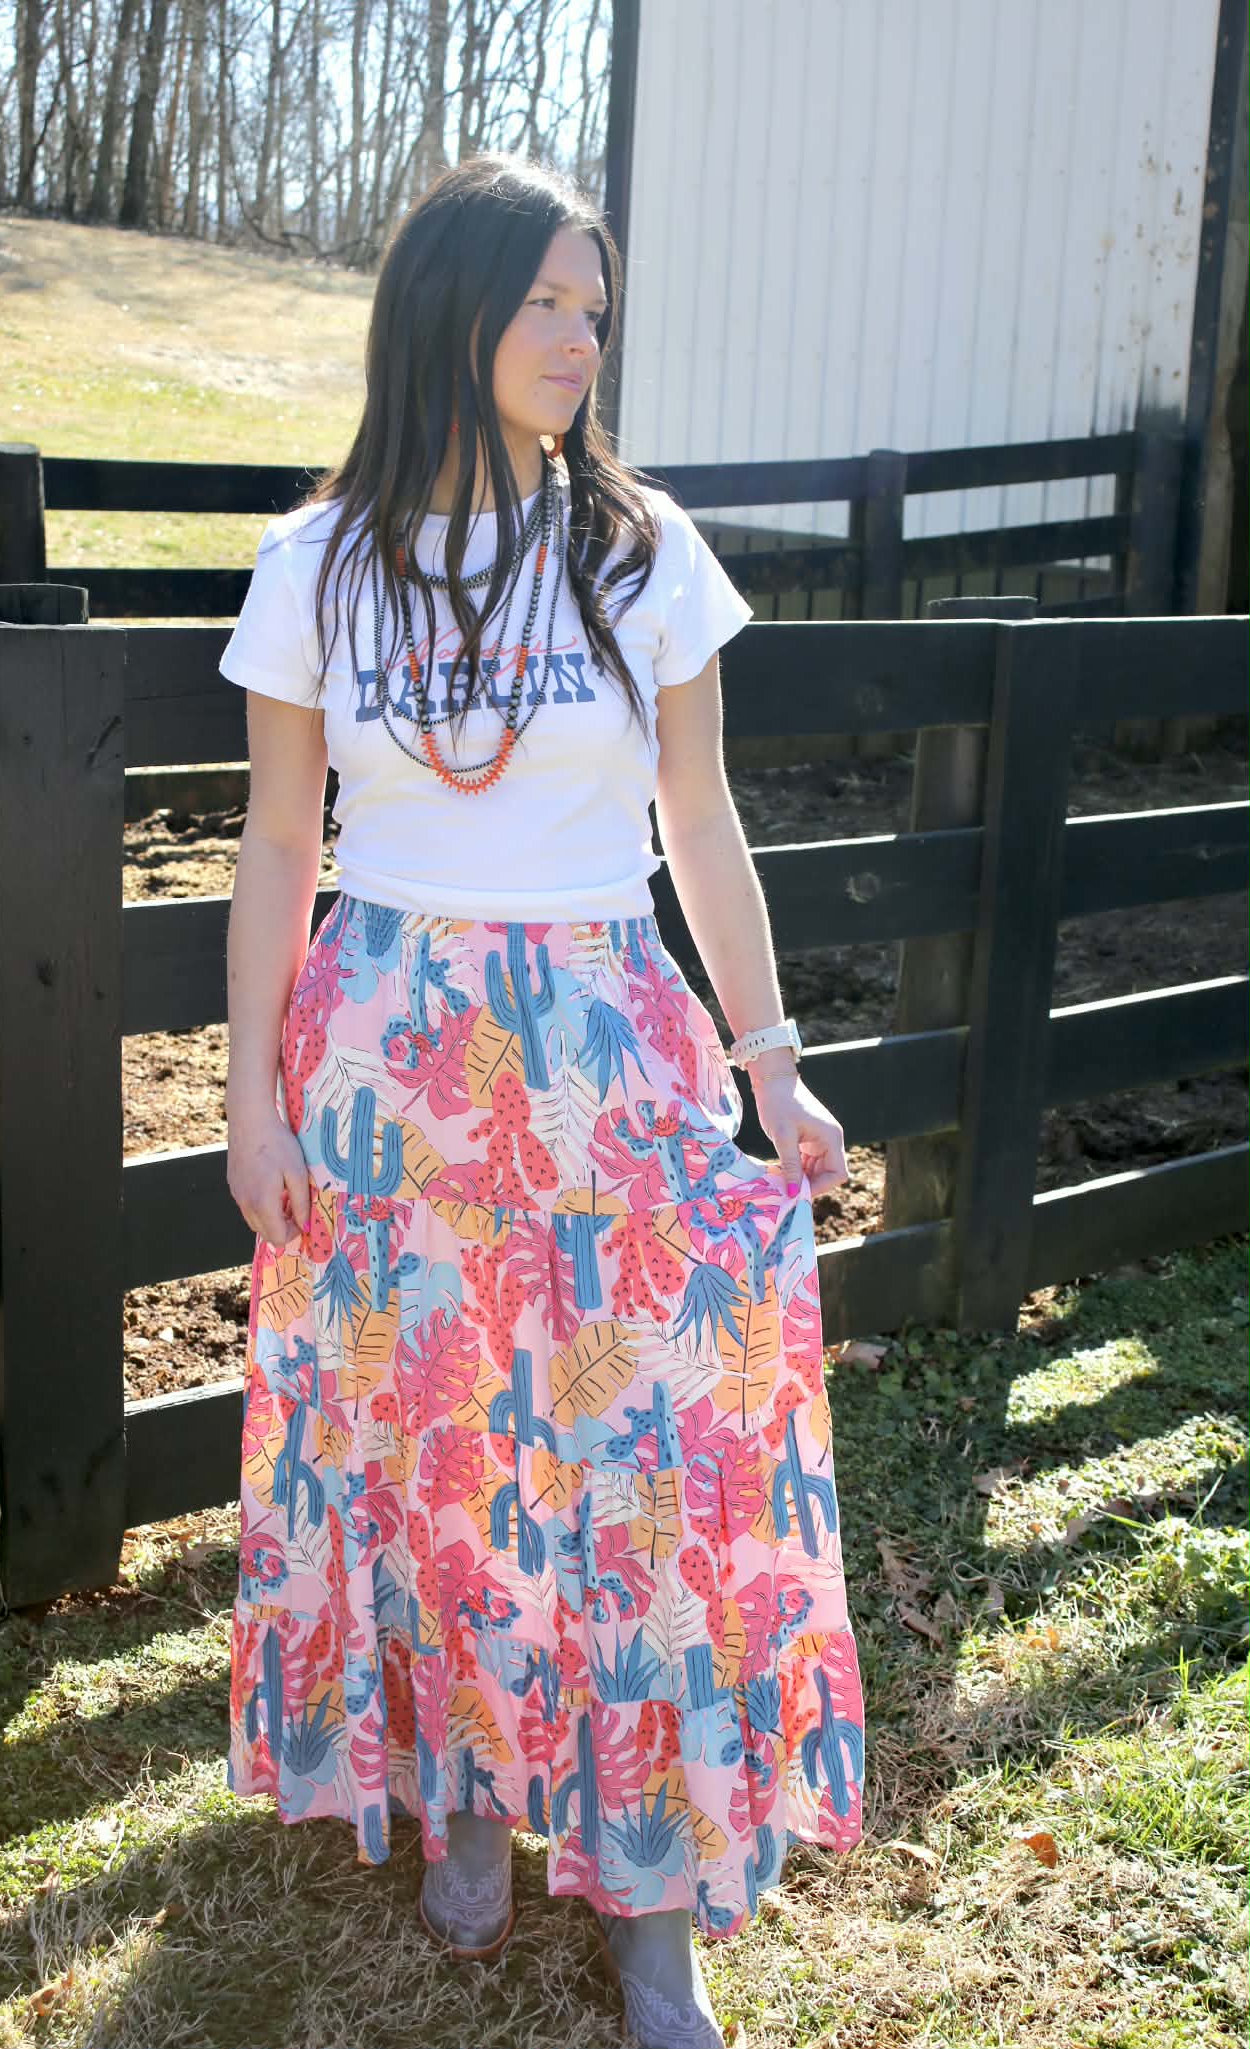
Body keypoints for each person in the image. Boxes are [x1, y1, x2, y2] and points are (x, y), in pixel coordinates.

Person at [219, 150, 865, 2049]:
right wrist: (254, 1102)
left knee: (645, 1466)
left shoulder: (640, 544)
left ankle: (655, 1884)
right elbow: (273, 844)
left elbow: (701, 820)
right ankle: (469, 1792)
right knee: (433, 1449)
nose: (583, 339)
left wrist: (773, 1062)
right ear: (451, 309)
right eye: (548, 303)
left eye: (599, 308)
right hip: (383, 1050)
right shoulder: (316, 560)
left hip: (606, 1041)